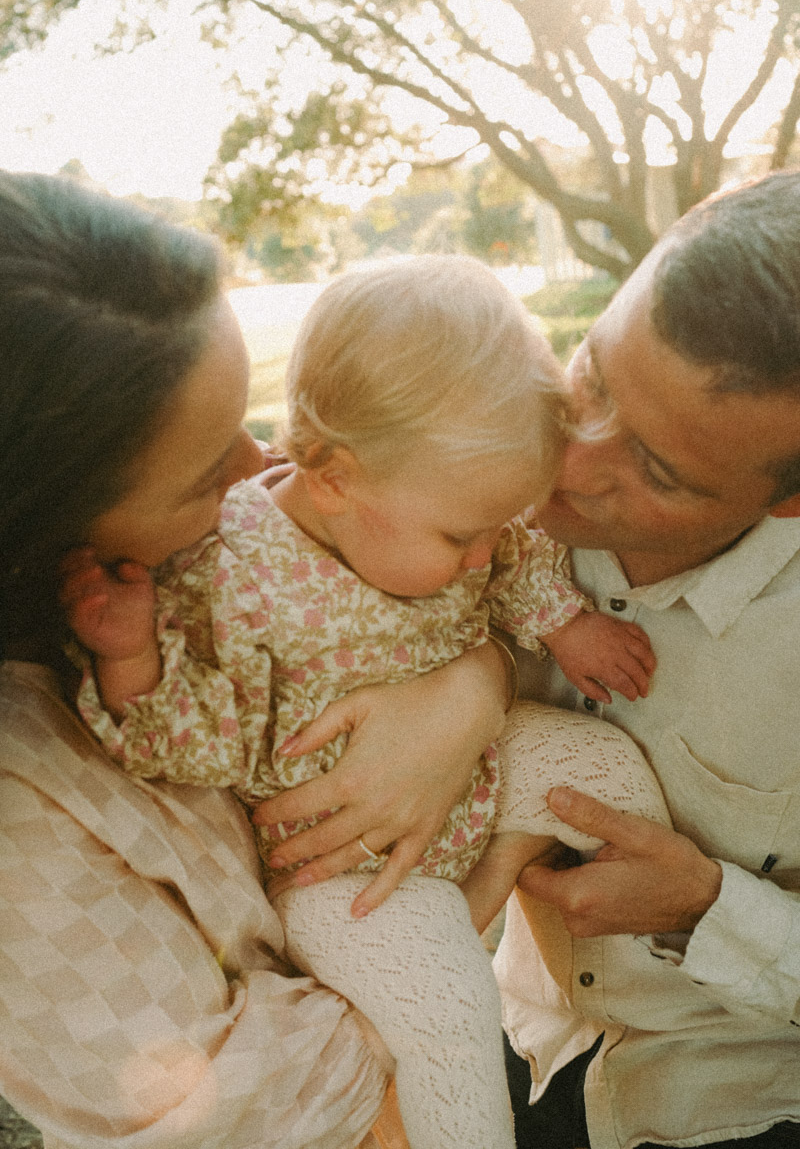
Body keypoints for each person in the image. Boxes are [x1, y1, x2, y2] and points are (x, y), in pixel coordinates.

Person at [61, 255, 669, 1149]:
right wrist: (135, 660)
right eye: (460, 536)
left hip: (478, 771)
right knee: (447, 1011)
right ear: (336, 477)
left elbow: (511, 558)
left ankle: (659, 972)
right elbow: (197, 750)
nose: (478, 558)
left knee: (601, 762)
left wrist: (563, 622)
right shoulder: (231, 578)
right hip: (346, 871)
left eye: (494, 527)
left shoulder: (445, 505)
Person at [251, 170, 800, 1149]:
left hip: (731, 1094)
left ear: (786, 501)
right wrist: (471, 686)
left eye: (655, 471)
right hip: (519, 1033)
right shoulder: (474, 481)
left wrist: (705, 905)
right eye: (588, 378)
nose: (574, 460)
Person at [0, 169, 503, 1149]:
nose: (261, 463)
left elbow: (434, 607)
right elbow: (326, 1111)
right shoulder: (24, 811)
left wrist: (463, 692)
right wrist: (461, 898)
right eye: (204, 471)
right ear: (44, 531)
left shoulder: (201, 564)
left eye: (246, 413)